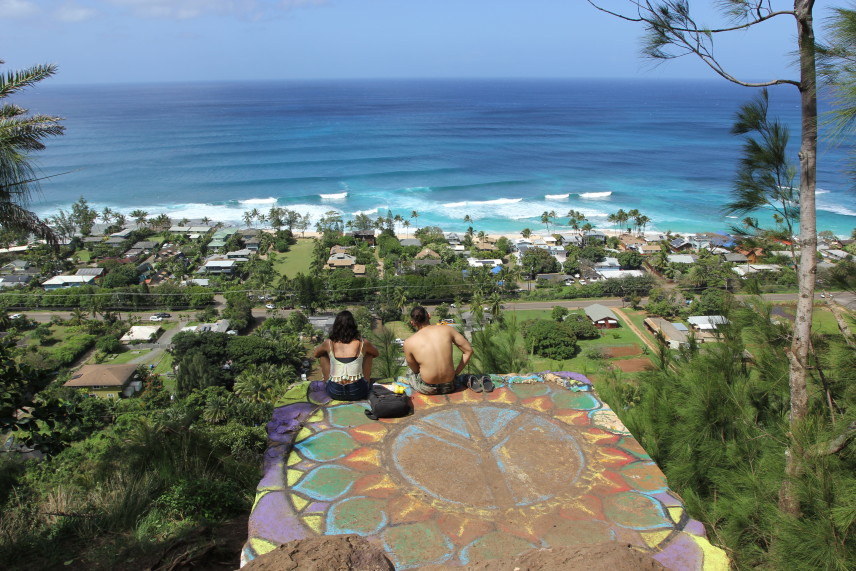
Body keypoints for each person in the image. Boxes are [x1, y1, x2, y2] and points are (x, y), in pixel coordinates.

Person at [403, 306, 474, 395]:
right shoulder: (448, 329)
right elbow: (469, 351)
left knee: (409, 371)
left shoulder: (409, 342)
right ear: (429, 315)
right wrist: (455, 374)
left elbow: (415, 370)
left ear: (412, 323)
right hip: (450, 386)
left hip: (427, 388)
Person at [312, 310, 379, 401]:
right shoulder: (362, 343)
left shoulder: (329, 343)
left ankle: (326, 380)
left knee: (323, 354)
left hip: (335, 391)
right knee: (368, 355)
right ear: (353, 326)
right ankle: (366, 381)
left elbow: (316, 353)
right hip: (357, 391)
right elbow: (376, 353)